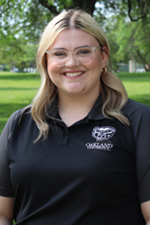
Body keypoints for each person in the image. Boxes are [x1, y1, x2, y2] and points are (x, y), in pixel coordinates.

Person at [0, 9, 150, 225]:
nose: (71, 63)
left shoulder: (138, 121)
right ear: (46, 61)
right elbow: (3, 213)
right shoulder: (20, 123)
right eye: (59, 53)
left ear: (103, 56)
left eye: (83, 51)